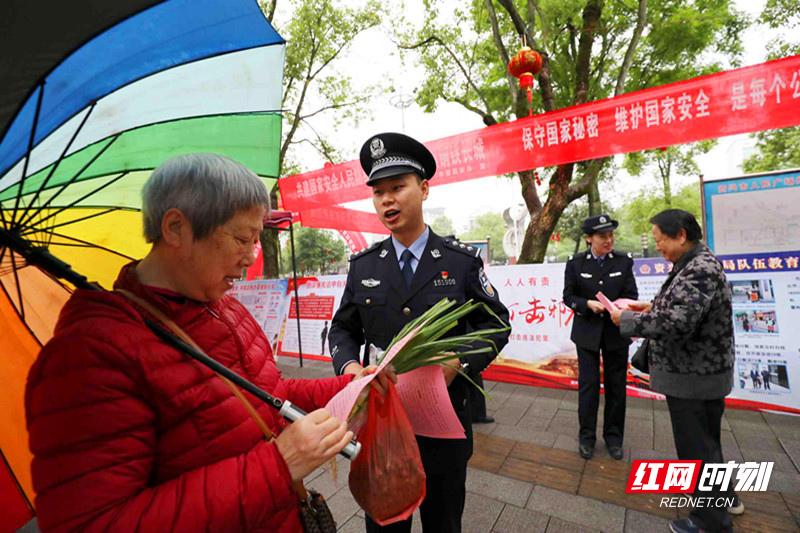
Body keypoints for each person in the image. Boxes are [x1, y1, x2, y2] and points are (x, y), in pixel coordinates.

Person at [25, 153, 393, 532]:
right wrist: (278, 465)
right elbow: (96, 522)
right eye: (241, 238)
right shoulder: (89, 357)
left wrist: (352, 386)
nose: (250, 257)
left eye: (255, 239)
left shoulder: (224, 307)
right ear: (175, 228)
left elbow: (270, 394)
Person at [328, 132, 510, 533]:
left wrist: (459, 361)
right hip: (384, 424)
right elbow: (343, 328)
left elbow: (496, 323)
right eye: (378, 193)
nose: (387, 200)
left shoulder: (460, 262)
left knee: (443, 522)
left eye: (398, 187)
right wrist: (348, 368)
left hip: (444, 425)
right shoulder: (364, 267)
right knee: (384, 522)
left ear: (424, 189)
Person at [610, 209, 740, 533]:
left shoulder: (700, 268)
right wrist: (647, 308)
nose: (658, 248)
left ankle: (710, 523)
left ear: (681, 235)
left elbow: (679, 322)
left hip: (693, 377)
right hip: (697, 374)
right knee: (707, 444)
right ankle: (722, 498)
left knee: (696, 450)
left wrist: (626, 320)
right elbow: (682, 307)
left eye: (660, 240)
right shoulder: (693, 263)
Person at [562, 214, 638, 461]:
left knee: (617, 387)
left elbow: (631, 294)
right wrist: (588, 305)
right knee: (589, 387)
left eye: (611, 235)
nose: (608, 240)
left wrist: (620, 308)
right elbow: (568, 297)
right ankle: (586, 438)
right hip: (587, 334)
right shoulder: (575, 264)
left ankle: (614, 439)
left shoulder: (624, 262)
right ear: (589, 239)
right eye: (602, 236)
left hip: (616, 333)